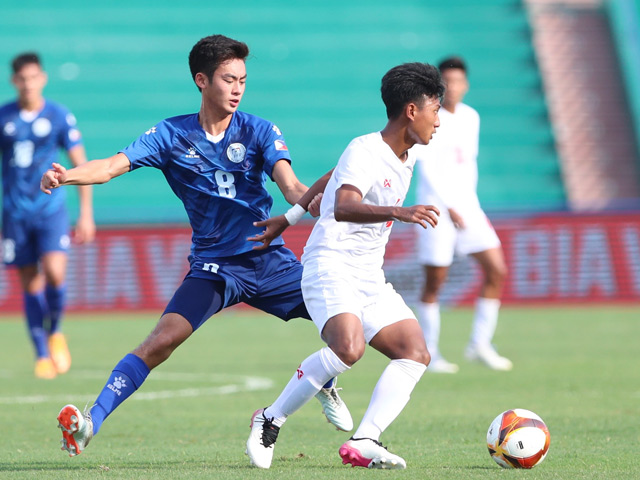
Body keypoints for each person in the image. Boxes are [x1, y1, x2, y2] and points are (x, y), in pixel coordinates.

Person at [40, 34, 352, 457]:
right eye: (228, 79)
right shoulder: (170, 134)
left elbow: (291, 184)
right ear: (202, 80)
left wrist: (311, 200)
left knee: (344, 327)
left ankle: (324, 382)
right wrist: (66, 176)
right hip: (215, 267)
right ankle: (91, 421)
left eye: (242, 79)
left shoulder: (259, 129)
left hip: (269, 259)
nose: (238, 88)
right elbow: (110, 167)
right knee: (160, 342)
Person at [245, 62, 444, 470]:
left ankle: (366, 439)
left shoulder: (405, 155)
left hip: (369, 274)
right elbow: (344, 204)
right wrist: (399, 212)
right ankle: (269, 418)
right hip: (330, 263)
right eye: (435, 110)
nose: (438, 121)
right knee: (347, 348)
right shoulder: (366, 148)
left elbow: (331, 177)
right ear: (411, 110)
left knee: (414, 353)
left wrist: (291, 216)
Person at [413, 57, 511, 373]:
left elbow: (467, 164)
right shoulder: (430, 115)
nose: (453, 87)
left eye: (458, 81)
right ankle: (430, 353)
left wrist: (466, 202)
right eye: (447, 82)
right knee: (435, 282)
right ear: (439, 86)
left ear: (466, 85)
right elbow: (426, 166)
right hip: (436, 210)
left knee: (496, 269)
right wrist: (449, 204)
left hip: (469, 207)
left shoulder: (471, 117)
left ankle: (479, 344)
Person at [1, 52, 95, 380]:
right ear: (15, 81)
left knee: (55, 274)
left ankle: (55, 331)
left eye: (33, 77)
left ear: (42, 78)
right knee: (30, 284)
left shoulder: (58, 115)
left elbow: (80, 164)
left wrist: (86, 213)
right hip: (14, 213)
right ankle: (41, 354)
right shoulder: (4, 117)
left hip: (50, 210)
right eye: (22, 79)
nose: (28, 84)